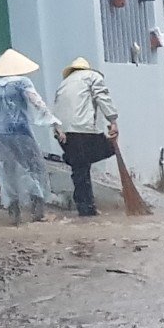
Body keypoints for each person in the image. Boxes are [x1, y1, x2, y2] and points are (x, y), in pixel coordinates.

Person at [0, 49, 57, 224]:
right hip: (20, 129)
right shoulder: (22, 82)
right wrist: (52, 120)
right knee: (33, 166)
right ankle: (37, 210)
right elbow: (36, 101)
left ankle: (13, 212)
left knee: (5, 170)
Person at [52, 57, 120, 217]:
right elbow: (103, 97)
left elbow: (55, 107)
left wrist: (57, 131)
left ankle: (86, 207)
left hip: (63, 132)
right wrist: (113, 121)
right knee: (110, 148)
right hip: (83, 130)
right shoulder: (92, 76)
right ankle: (86, 207)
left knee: (79, 167)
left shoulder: (63, 84)